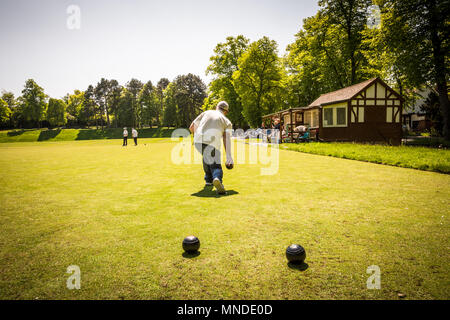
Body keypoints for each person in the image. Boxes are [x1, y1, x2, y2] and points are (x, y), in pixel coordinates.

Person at [189, 101, 233, 195]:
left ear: (217, 107)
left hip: (197, 141)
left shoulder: (206, 112)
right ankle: (217, 179)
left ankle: (208, 180)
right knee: (215, 164)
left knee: (207, 157)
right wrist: (228, 156)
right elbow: (226, 138)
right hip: (212, 143)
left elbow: (192, 127)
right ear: (226, 111)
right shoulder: (227, 121)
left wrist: (197, 137)